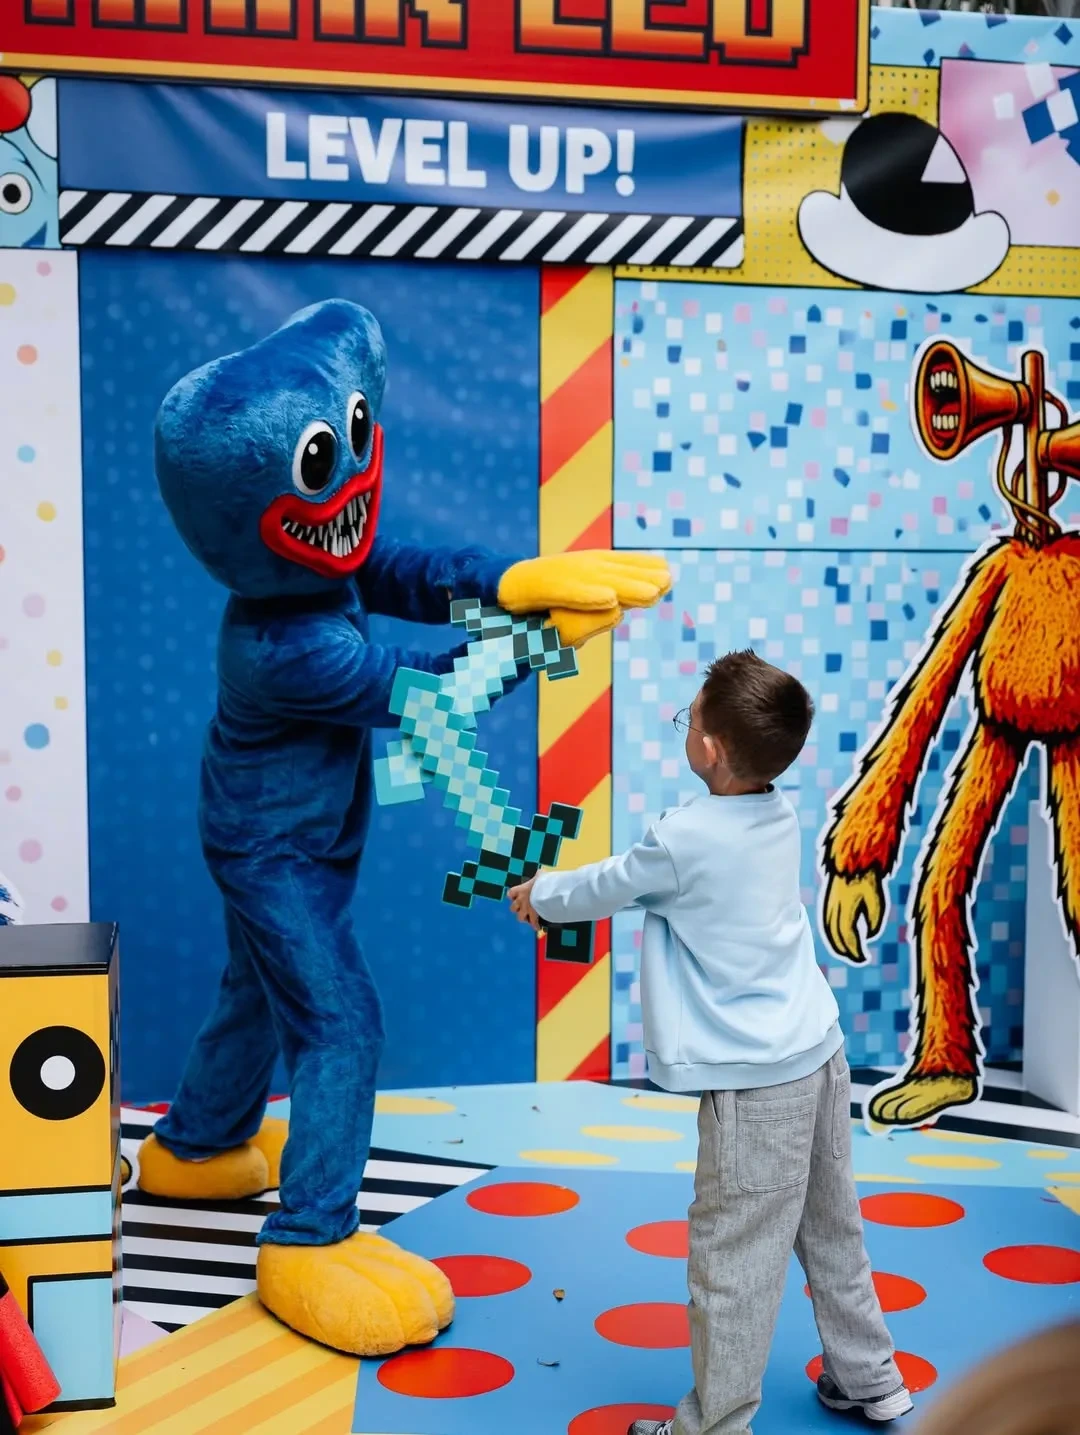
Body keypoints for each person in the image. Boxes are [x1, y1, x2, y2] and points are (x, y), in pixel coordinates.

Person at [509, 650, 912, 1435]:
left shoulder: (684, 837)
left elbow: (610, 883)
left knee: (732, 1259)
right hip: (819, 1053)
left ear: (711, 749)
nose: (685, 728)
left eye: (688, 719)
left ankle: (715, 1425)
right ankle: (872, 1378)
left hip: (757, 1085)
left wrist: (541, 895)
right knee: (832, 1227)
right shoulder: (778, 812)